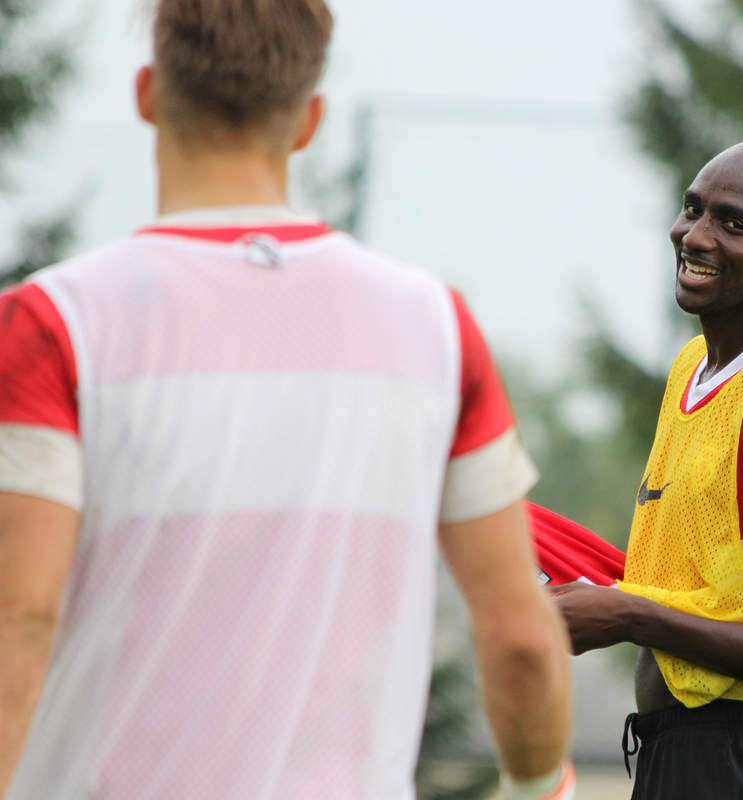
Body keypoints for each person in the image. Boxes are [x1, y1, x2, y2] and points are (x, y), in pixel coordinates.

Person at [0, 2, 574, 798]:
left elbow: (18, 619)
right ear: (309, 120)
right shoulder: (435, 328)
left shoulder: (55, 322)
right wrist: (540, 786)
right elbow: (521, 638)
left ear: (147, 95)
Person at [551, 141, 743, 799]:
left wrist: (629, 617)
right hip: (684, 759)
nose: (694, 236)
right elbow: (699, 585)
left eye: (732, 223)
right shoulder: (692, 371)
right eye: (692, 209)